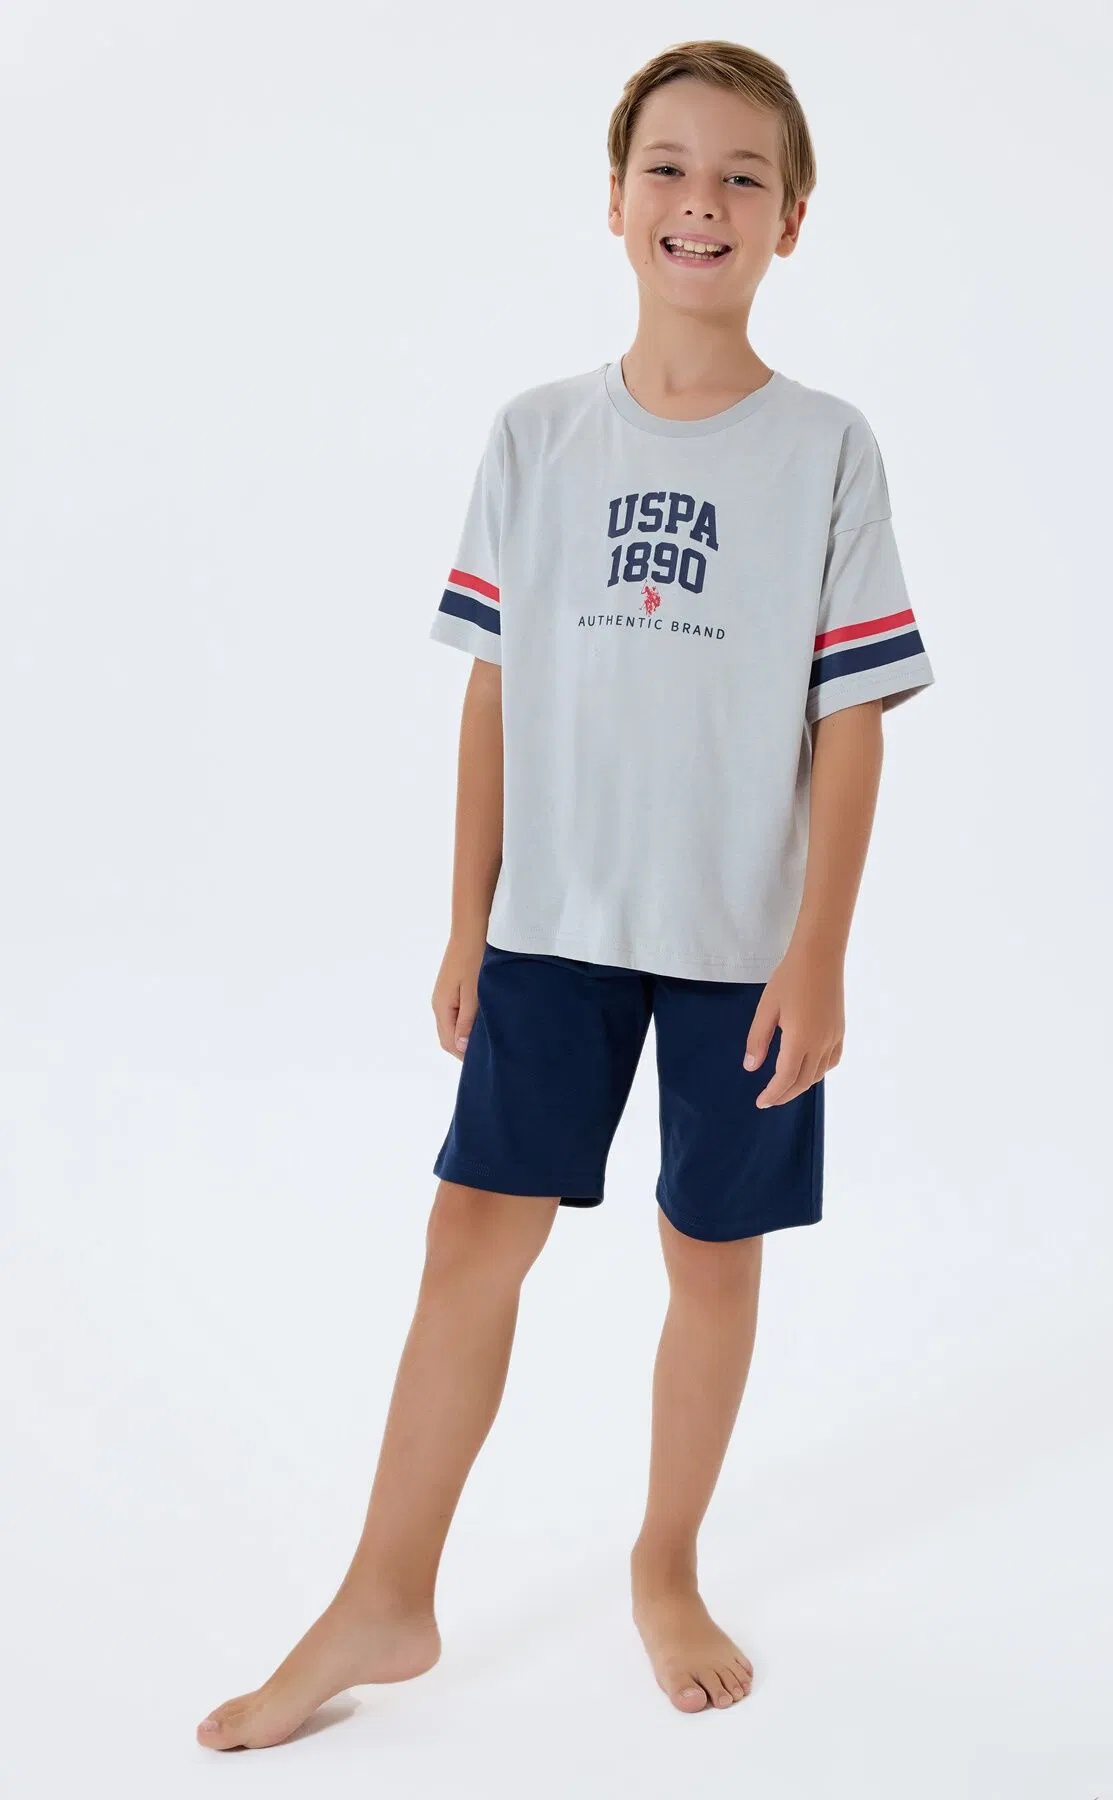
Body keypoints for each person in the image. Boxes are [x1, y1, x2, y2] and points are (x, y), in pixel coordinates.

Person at [197, 37, 935, 1751]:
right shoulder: (536, 435)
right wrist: (467, 917)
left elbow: (851, 723)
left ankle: (664, 1564)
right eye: (667, 167)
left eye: (741, 176)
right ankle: (384, 1592)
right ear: (614, 202)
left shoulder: (826, 448)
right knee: (469, 1237)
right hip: (549, 931)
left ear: (791, 220)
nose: (701, 201)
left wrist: (818, 957)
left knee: (711, 1254)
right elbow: (493, 691)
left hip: (738, 945)